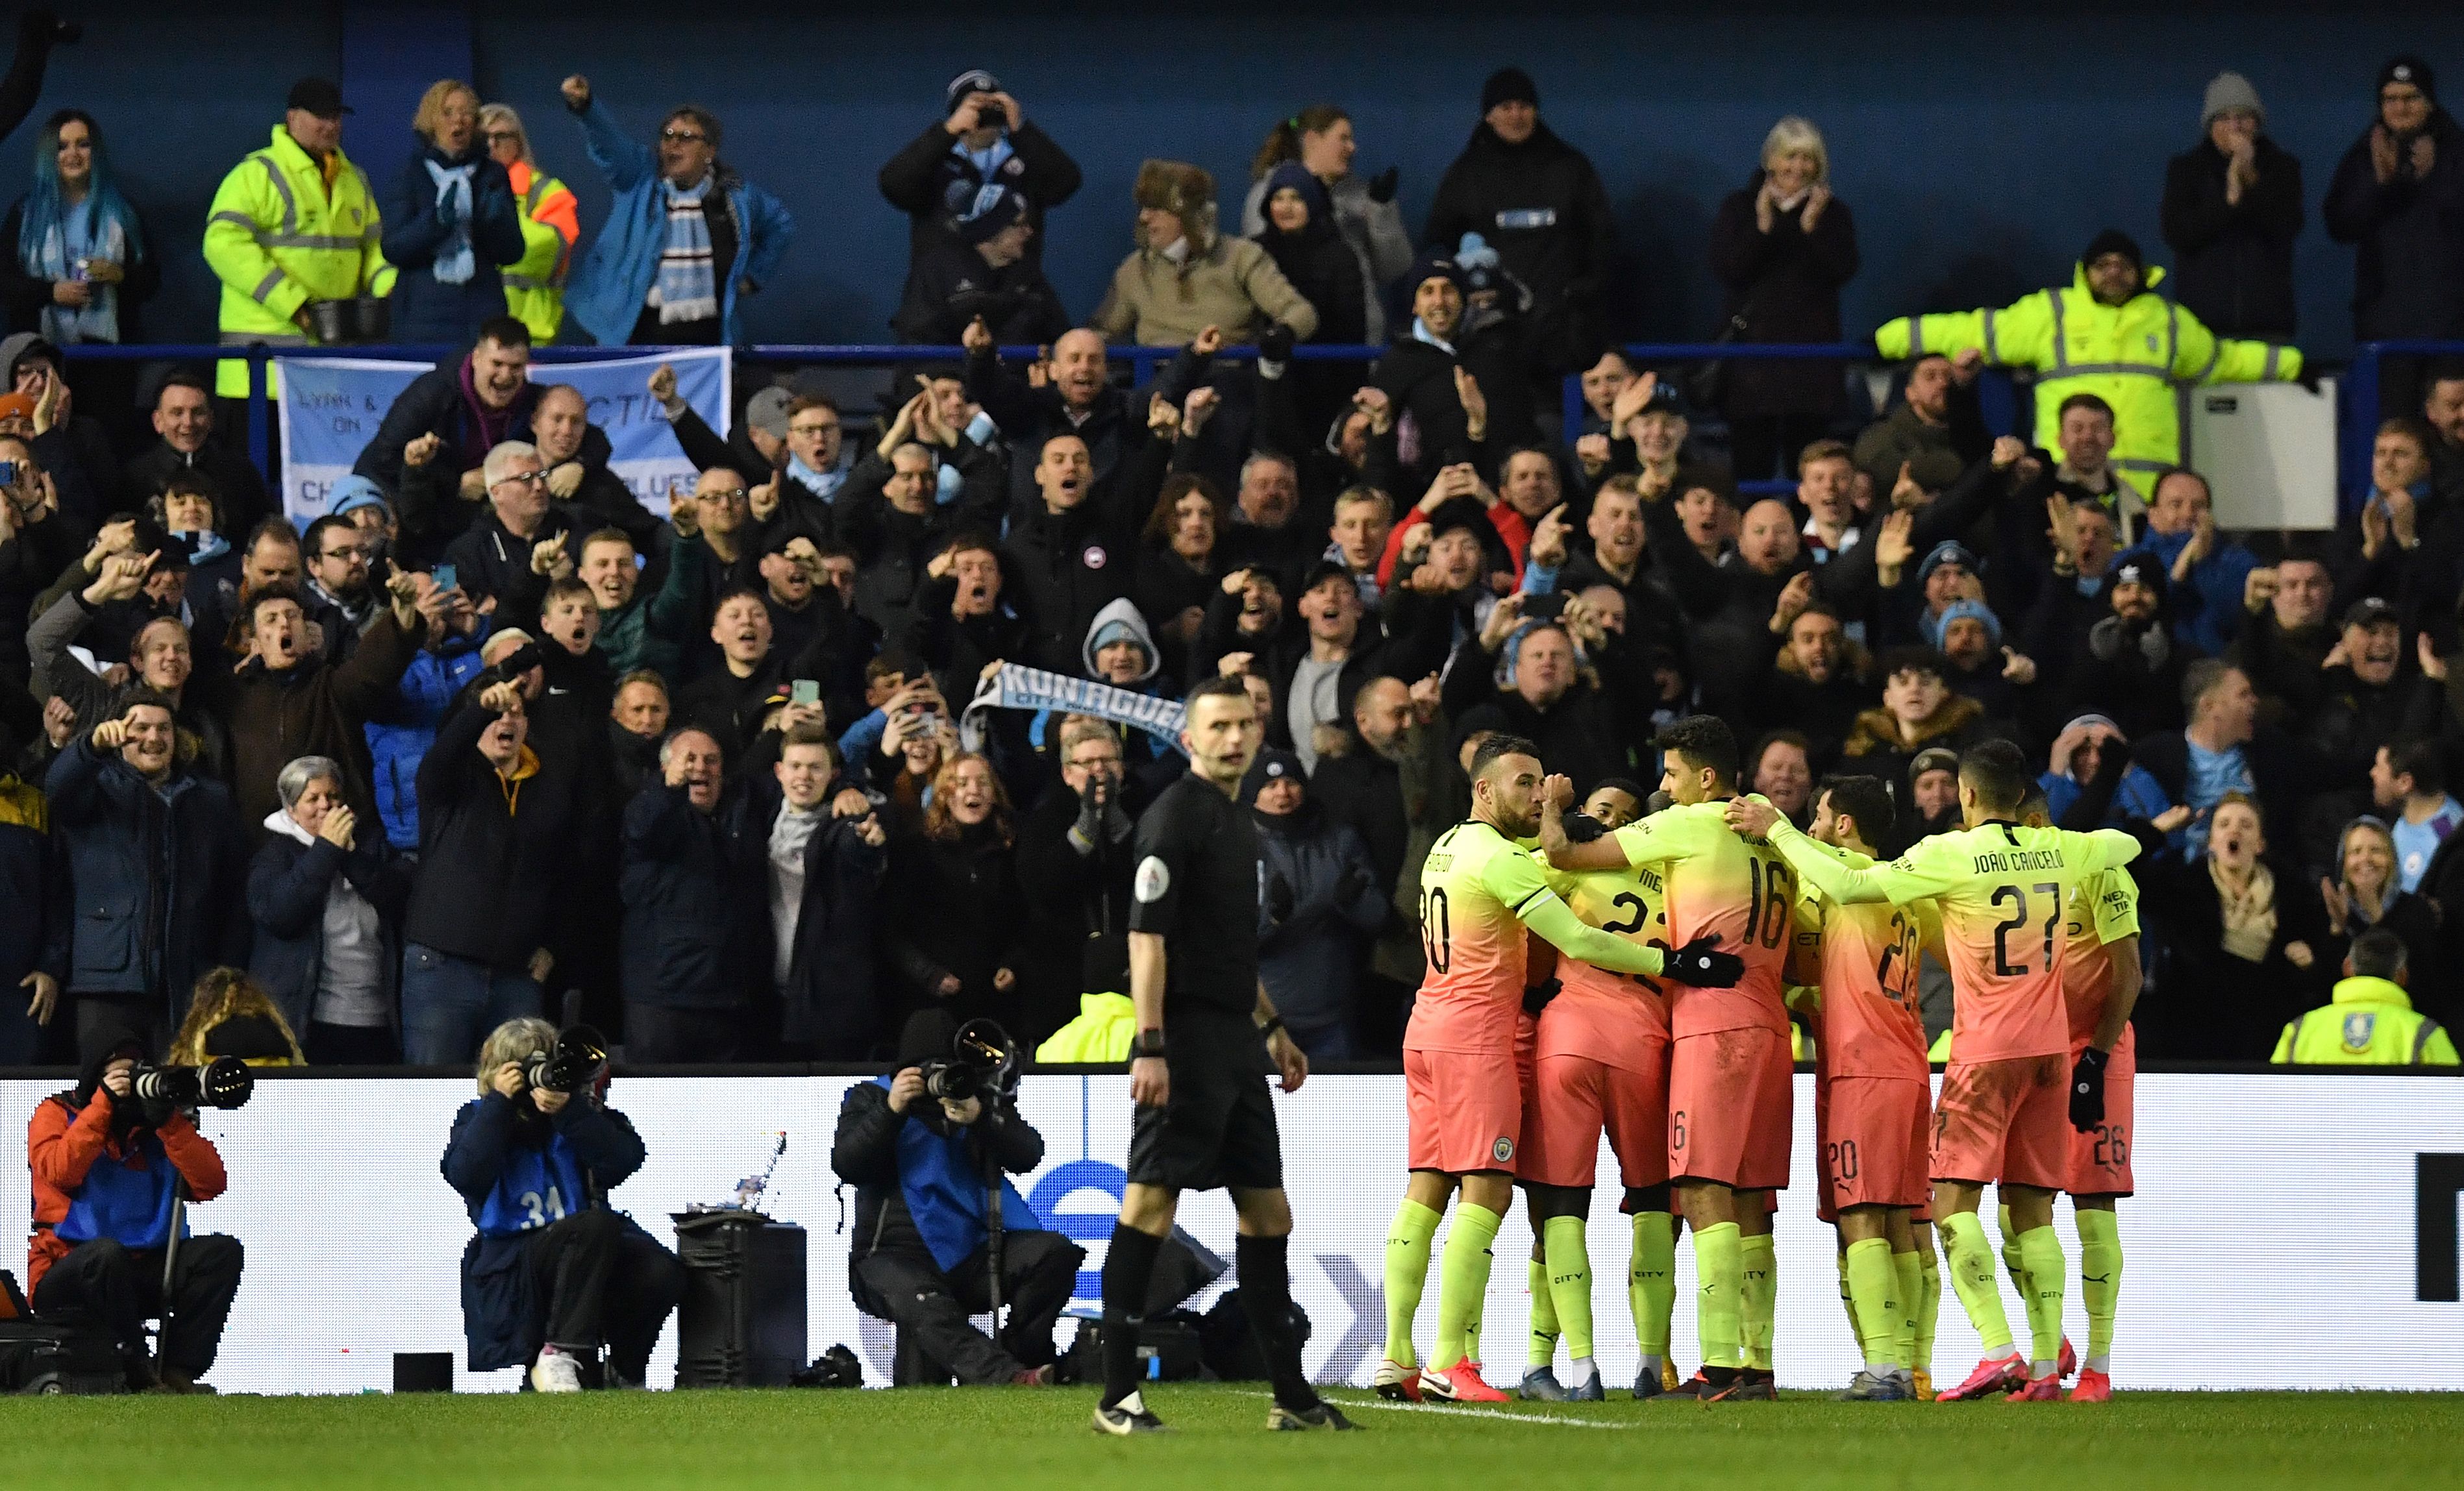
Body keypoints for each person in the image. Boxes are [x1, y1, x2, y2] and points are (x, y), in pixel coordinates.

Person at [1726, 739, 2143, 1402]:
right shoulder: (2067, 850)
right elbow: (2125, 844)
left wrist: (1777, 826)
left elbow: (1852, 883)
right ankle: (2043, 1366)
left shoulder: (1950, 853)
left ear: (1968, 796)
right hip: (2053, 1052)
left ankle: (1996, 1347)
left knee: (1951, 1200)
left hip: (1986, 1048)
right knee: (2033, 1208)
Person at [1091, 676, 1347, 1434]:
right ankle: (1117, 1395)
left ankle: (1292, 1397)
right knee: (1150, 1202)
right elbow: (1147, 938)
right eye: (1220, 725)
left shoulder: (1238, 820)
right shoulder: (1174, 817)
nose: (1236, 737)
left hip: (1237, 1040)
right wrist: (1150, 1043)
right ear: (1190, 736)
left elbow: (1231, 947)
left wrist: (1271, 1027)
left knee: (1269, 1213)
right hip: (1186, 1038)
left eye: (1246, 722)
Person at [1532, 718, 1781, 1400]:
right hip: (1768, 1023)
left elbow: (1558, 853)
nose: (1662, 788)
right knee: (1751, 1200)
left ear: (1705, 778)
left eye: (1669, 774)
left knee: (1698, 1190)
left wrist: (1555, 803)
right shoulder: (1772, 838)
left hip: (1706, 1026)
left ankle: (1717, 1364)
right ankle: (1753, 1365)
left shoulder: (1688, 825)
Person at [1874, 230, 2299, 502]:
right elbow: (1976, 330)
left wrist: (2289, 364)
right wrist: (1888, 339)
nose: (2112, 273)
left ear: (2140, 273)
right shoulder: (2052, 313)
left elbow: (2223, 360)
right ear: (2085, 272)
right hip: (2067, 488)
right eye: (2102, 265)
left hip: (2148, 499)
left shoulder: (2169, 322)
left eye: (2123, 265)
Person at [1503, 780, 1674, 1399]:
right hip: (1644, 1048)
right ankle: (1652, 1366)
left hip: (1567, 1039)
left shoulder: (1571, 866)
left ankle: (1578, 1368)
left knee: (1559, 1206)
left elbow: (1509, 889)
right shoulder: (1680, 883)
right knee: (1653, 1200)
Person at [832, 1009, 1082, 1386]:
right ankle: (1009, 1378)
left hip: (970, 1255)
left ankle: (1024, 1357)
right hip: (889, 1256)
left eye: (946, 1070)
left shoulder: (974, 1098)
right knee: (927, 1305)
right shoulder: (872, 1096)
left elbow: (1029, 1154)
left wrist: (981, 1116)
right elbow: (848, 1165)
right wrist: (892, 1110)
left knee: (1054, 1253)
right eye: (926, 1072)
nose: (938, 1081)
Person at [1790, 774, 1936, 1401]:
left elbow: (1800, 860)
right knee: (1901, 1218)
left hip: (1864, 1068)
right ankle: (1910, 1365)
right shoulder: (1900, 893)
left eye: (1819, 816)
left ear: (1843, 824)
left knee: (1861, 1213)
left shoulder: (1840, 873)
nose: (1810, 826)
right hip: (1906, 1062)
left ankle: (1884, 1368)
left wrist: (1770, 828)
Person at [442, 1017, 686, 1392]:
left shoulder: (576, 1113)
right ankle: (557, 1355)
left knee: (659, 1269)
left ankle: (625, 1371)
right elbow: (465, 1176)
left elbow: (624, 1161)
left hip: (588, 1248)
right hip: (514, 1263)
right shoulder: (478, 1118)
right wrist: (500, 1105)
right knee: (594, 1227)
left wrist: (570, 1112)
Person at [26, 1032, 242, 1393]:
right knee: (106, 1255)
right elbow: (59, 1172)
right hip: (69, 1269)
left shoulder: (155, 1127)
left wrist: (170, 1125)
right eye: (121, 1078)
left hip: (142, 1267)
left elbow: (210, 1184)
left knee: (221, 1252)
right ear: (98, 1077)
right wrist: (103, 1107)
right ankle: (140, 1374)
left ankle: (177, 1371)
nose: (131, 1088)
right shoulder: (56, 1112)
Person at [46, 694, 250, 1057]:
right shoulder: (96, 788)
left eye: (163, 729)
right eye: (140, 728)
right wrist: (90, 747)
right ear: (120, 734)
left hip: (187, 986)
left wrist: (226, 974)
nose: (153, 737)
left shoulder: (212, 800)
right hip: (107, 984)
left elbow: (233, 895)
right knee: (108, 1101)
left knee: (176, 1106)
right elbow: (57, 789)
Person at [402, 680, 572, 1066]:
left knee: (521, 1102)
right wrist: (479, 709)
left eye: (515, 712)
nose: (506, 719)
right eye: (496, 713)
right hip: (442, 969)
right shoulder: (449, 778)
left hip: (518, 976)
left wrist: (553, 947)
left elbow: (565, 873)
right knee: (433, 1097)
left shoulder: (549, 787)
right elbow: (439, 758)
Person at [557, 74, 793, 347]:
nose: (673, 144)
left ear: (710, 151)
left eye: (686, 137)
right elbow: (609, 145)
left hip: (707, 346)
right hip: (635, 339)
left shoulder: (736, 197)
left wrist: (753, 278)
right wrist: (587, 108)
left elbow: (780, 226)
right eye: (667, 136)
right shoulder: (639, 179)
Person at [203, 79, 392, 400]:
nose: (331, 125)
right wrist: (294, 304)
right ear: (292, 119)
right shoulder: (256, 174)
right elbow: (222, 244)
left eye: (336, 116)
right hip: (260, 374)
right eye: (321, 116)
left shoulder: (353, 179)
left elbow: (375, 250)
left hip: (330, 374)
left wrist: (391, 295)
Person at [1422, 68, 1612, 375]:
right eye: (1505, 108)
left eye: (1524, 107)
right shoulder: (1466, 175)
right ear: (1488, 116)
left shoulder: (1570, 168)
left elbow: (1602, 241)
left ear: (1536, 112)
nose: (1516, 116)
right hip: (1489, 335)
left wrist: (1577, 295)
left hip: (1562, 337)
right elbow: (1437, 248)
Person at [1707, 117, 1860, 482]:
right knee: (1749, 476)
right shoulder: (1741, 207)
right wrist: (1762, 227)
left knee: (1810, 476)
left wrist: (1811, 229)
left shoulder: (1833, 213)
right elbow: (1729, 269)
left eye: (1808, 158)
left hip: (1811, 372)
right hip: (1751, 372)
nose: (1798, 167)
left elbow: (1843, 270)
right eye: (1790, 157)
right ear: (1771, 160)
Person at [247, 754, 411, 1064]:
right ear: (292, 810)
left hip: (376, 1016)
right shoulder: (274, 855)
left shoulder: (373, 845)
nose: (326, 805)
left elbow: (399, 900)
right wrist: (326, 850)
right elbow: (279, 915)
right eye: (313, 799)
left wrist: (347, 855)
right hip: (308, 1020)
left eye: (333, 796)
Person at [2324, 58, 2464, 421]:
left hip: (2451, 332)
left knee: (2449, 439)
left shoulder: (2457, 152)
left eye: (2410, 98)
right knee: (2391, 435)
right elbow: (2339, 225)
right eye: (2390, 99)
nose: (2399, 108)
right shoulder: (2365, 155)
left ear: (2430, 102)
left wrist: (2434, 180)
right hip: (2385, 333)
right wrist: (2380, 186)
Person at [619, 725, 765, 1062]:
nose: (700, 768)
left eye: (711, 760)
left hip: (728, 1001)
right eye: (689, 759)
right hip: (663, 1000)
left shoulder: (739, 818)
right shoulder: (647, 812)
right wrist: (670, 789)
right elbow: (645, 830)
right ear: (666, 769)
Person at [760, 721, 887, 1059]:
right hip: (765, 996)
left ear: (833, 775)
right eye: (796, 766)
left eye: (816, 767)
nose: (804, 776)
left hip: (828, 1002)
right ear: (779, 772)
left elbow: (857, 852)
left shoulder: (845, 826)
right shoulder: (757, 821)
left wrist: (868, 845)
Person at [1091, 158, 1317, 349]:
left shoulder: (1241, 257)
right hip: (1157, 383)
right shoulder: (1136, 269)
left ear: (1186, 214)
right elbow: (1103, 332)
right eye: (1143, 208)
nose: (1144, 218)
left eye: (1156, 209)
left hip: (1225, 380)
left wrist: (1279, 338)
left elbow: (1301, 313)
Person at [878, 70, 1080, 282]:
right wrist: (947, 132)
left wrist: (1020, 130)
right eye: (976, 109)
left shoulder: (1027, 160)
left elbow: (1066, 183)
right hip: (942, 298)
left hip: (1016, 297)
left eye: (993, 110)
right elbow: (894, 185)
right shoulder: (934, 164)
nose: (984, 118)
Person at [1249, 748, 1385, 1060]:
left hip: (1334, 1018)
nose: (1283, 792)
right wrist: (1273, 920)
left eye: (1291, 782)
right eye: (1270, 786)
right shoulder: (1239, 846)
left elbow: (1379, 918)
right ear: (1253, 793)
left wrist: (1351, 903)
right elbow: (1226, 944)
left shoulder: (1340, 842)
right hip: (1267, 1022)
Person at [884, 753, 1028, 1033]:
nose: (974, 790)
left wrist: (1013, 965)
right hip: (931, 1006)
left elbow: (1026, 919)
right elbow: (891, 930)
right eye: (962, 783)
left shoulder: (1012, 851)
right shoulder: (915, 851)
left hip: (997, 1009)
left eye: (982, 783)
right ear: (944, 795)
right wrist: (929, 975)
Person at [1243, 105, 1412, 344]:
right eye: (1343, 138)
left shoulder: (1361, 195)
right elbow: (1260, 269)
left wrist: (1381, 211)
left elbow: (1393, 270)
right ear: (1313, 140)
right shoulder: (1268, 195)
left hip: (1356, 340)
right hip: (1289, 338)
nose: (1352, 148)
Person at [2161, 73, 2303, 341]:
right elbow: (2178, 233)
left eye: (2243, 117)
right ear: (2210, 125)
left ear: (2257, 124)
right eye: (2224, 118)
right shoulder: (2186, 170)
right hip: (2202, 325)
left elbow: (2286, 228)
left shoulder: (2282, 168)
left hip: (2268, 323)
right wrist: (2228, 202)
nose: (2235, 127)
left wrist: (2250, 179)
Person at [381, 80, 523, 345]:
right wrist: (436, 223)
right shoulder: (410, 174)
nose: (458, 121)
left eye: (467, 113)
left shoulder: (492, 175)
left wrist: (492, 224)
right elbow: (394, 247)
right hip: (421, 316)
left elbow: (513, 252)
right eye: (448, 113)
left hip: (482, 313)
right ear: (431, 121)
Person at [1, 109, 157, 343]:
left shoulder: (123, 213)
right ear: (49, 154)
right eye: (62, 146)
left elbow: (151, 282)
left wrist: (119, 275)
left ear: (96, 151)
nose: (73, 154)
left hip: (106, 358)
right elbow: (5, 282)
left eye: (83, 144)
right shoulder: (25, 215)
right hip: (39, 353)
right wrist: (51, 292)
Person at [889, 185, 1068, 347]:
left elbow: (1062, 335)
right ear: (991, 231)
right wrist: (944, 376)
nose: (1029, 232)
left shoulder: (1029, 279)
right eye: (1019, 224)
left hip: (1018, 381)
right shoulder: (937, 273)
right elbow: (918, 340)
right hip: (953, 379)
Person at [121, 372, 272, 541]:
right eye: (177, 413)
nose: (188, 423)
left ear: (211, 419)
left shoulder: (240, 473)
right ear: (158, 421)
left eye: (198, 412)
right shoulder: (135, 477)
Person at [2272, 928, 2458, 1065]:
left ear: (2347, 967)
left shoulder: (2299, 1030)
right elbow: (2453, 1104)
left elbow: (2271, 1100)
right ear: (2402, 976)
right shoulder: (2425, 1033)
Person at [480, 103, 579, 342]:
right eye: (483, 137)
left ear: (518, 143)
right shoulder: (458, 188)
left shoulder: (549, 192)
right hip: (471, 332)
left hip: (528, 335)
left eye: (501, 136)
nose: (491, 145)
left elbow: (544, 249)